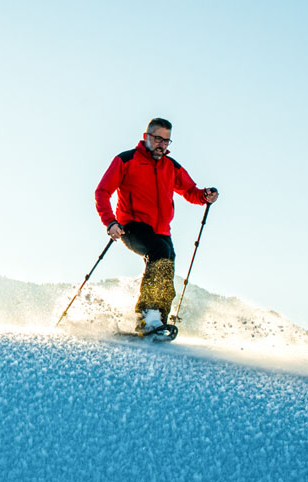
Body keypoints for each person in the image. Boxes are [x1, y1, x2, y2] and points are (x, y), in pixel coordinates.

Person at [94, 118, 219, 335]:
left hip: (161, 230)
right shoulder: (126, 160)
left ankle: (158, 321)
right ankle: (146, 316)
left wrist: (205, 196)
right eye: (158, 138)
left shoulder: (171, 167)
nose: (162, 144)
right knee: (160, 252)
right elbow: (102, 192)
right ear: (146, 137)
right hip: (131, 226)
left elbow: (190, 191)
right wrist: (111, 222)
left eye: (167, 141)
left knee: (168, 260)